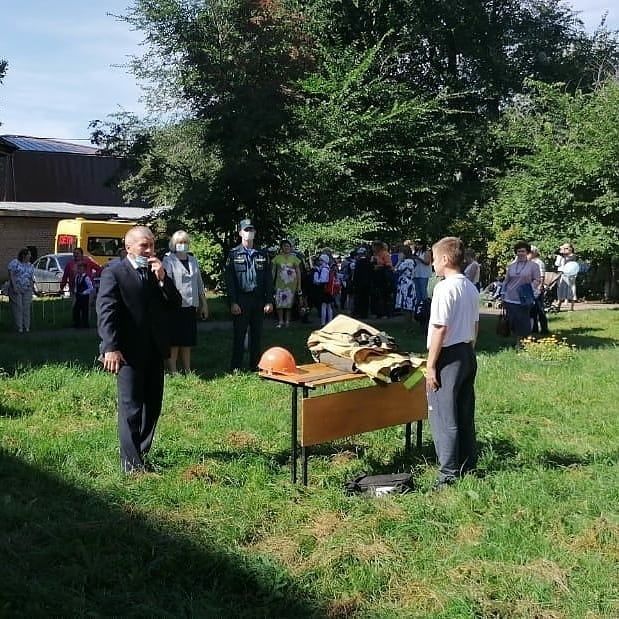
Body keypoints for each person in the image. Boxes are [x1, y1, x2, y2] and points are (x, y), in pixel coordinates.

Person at [97, 225, 181, 474]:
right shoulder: (114, 272)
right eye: (144, 245)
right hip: (127, 352)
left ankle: (141, 455)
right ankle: (131, 466)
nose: (149, 250)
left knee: (151, 407)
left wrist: (164, 278)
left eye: (152, 245)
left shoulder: (155, 272)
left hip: (154, 349)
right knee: (131, 407)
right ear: (128, 247)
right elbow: (106, 311)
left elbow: (175, 303)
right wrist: (110, 347)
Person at [426, 237, 480, 490]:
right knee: (464, 411)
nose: (433, 265)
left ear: (445, 259)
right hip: (467, 353)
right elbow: (476, 325)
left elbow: (439, 328)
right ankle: (468, 464)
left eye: (434, 259)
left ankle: (447, 475)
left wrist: (431, 366)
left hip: (447, 355)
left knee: (443, 415)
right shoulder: (470, 287)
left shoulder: (444, 288)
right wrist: (469, 350)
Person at [224, 219, 273, 371]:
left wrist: (269, 300)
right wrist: (233, 302)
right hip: (241, 299)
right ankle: (236, 367)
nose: (249, 232)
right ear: (240, 233)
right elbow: (229, 280)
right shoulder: (233, 254)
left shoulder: (263, 254)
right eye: (246, 230)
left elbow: (268, 279)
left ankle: (255, 366)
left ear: (255, 232)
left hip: (258, 300)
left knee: (256, 335)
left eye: (251, 230)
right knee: (239, 335)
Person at [162, 230, 209, 374]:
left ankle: (188, 369)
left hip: (191, 305)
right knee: (174, 341)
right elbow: (166, 283)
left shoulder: (193, 259)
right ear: (174, 244)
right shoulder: (168, 260)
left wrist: (204, 303)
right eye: (179, 242)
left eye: (185, 242)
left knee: (187, 340)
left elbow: (199, 283)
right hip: (174, 306)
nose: (182, 245)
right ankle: (173, 370)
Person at [502, 241, 541, 343]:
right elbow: (506, 280)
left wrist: (529, 288)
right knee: (512, 320)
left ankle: (524, 341)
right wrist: (503, 293)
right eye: (518, 251)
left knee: (523, 321)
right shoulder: (511, 266)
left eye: (523, 251)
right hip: (510, 297)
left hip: (525, 298)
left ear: (527, 252)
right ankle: (516, 341)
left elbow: (537, 280)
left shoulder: (533, 266)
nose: (520, 253)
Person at [271, 239, 302, 328]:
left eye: (288, 246)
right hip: (279, 283)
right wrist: (271, 283)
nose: (286, 248)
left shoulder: (294, 258)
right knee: (279, 303)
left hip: (291, 284)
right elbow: (273, 271)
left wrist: (299, 285)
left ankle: (287, 321)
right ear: (281, 248)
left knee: (289, 304)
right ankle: (281, 321)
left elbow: (298, 272)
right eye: (285, 246)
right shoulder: (277, 258)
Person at [7, 247, 35, 333]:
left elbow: (31, 278)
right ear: (24, 255)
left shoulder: (31, 266)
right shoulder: (15, 263)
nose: (30, 256)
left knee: (26, 307)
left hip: (26, 289)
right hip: (16, 288)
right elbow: (11, 274)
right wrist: (14, 286)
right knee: (18, 307)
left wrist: (32, 288)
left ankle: (26, 327)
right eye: (29, 254)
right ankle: (19, 327)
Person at [528, 245, 549, 335]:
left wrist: (540, 286)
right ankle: (534, 328)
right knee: (532, 310)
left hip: (537, 288)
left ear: (534, 253)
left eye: (529, 252)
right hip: (530, 287)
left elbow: (542, 275)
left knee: (540, 309)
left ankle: (544, 329)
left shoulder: (539, 262)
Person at [394, 244, 416, 324]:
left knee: (407, 305)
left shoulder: (407, 262)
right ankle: (408, 322)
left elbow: (396, 270)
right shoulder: (410, 261)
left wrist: (399, 261)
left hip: (406, 285)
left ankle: (409, 322)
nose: (399, 255)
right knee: (406, 305)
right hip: (405, 284)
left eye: (400, 253)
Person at [313, 253, 335, 327]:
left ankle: (323, 323)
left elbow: (323, 280)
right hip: (328, 290)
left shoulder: (324, 269)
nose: (319, 261)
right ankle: (330, 321)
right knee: (328, 306)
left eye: (321, 260)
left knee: (324, 306)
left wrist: (316, 280)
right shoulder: (327, 268)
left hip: (324, 290)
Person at [554, 243, 578, 311]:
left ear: (571, 249)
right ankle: (558, 306)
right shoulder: (562, 255)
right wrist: (561, 248)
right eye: (564, 248)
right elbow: (556, 253)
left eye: (566, 248)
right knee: (561, 289)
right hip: (562, 273)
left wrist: (563, 252)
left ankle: (571, 307)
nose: (564, 250)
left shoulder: (572, 256)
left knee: (571, 289)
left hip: (570, 274)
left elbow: (568, 259)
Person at [72, 261, 94, 328]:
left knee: (85, 310)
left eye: (81, 269)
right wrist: (76, 292)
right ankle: (77, 323)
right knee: (76, 309)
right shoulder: (77, 277)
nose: (79, 270)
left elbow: (91, 288)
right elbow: (76, 286)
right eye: (78, 269)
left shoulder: (86, 278)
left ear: (84, 270)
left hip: (84, 297)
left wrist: (84, 292)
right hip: (78, 296)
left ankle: (85, 324)